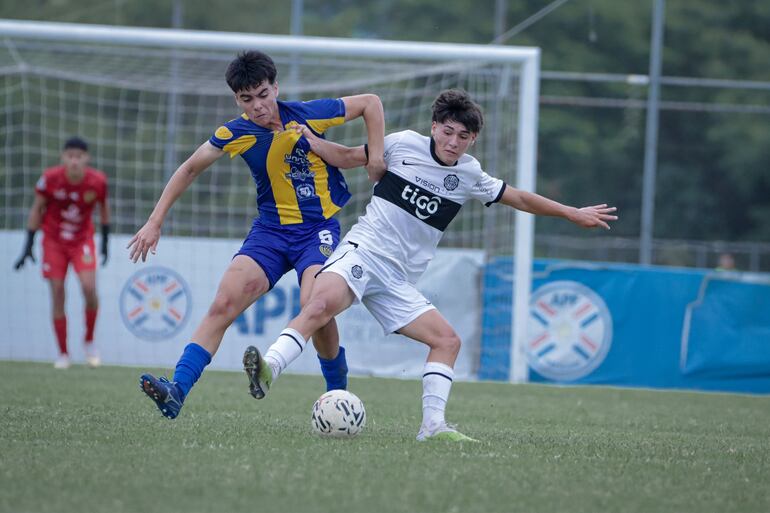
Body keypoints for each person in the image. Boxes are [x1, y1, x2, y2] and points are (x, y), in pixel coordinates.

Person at [243, 89, 618, 441]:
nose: (453, 142)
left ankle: (433, 426)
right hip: (364, 251)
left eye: (463, 136)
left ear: (473, 140)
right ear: (434, 127)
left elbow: (518, 197)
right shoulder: (403, 143)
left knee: (447, 341)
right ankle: (269, 368)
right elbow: (345, 157)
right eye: (448, 131)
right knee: (320, 306)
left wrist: (571, 213)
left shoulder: (469, 174)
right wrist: (308, 139)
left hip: (397, 279)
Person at [129, 50, 385, 419]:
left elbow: (370, 104)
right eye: (247, 99)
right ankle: (177, 390)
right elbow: (188, 169)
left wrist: (375, 155)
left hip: (318, 232)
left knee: (317, 308)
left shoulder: (309, 113)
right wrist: (155, 221)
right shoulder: (235, 132)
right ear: (237, 99)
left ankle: (337, 396)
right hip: (269, 234)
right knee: (222, 304)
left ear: (275, 87)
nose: (258, 106)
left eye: (263, 95)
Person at [14, 136, 110, 369]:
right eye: (70, 156)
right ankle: (63, 353)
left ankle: (89, 341)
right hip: (53, 241)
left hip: (82, 240)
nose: (75, 161)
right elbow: (37, 209)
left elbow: (104, 209)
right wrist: (28, 245)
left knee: (89, 288)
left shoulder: (97, 181)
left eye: (79, 156)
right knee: (57, 292)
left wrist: (105, 242)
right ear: (63, 157)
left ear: (86, 158)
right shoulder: (49, 179)